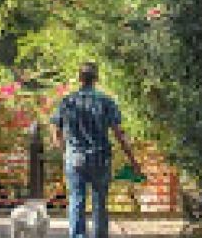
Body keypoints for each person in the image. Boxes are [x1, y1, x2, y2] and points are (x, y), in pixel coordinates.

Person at [50, 63, 140, 238]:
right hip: (100, 157)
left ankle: (77, 236)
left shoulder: (68, 101)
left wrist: (64, 151)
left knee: (77, 200)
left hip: (75, 157)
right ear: (96, 79)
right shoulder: (106, 102)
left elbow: (55, 129)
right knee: (99, 202)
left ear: (79, 79)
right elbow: (119, 133)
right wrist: (132, 159)